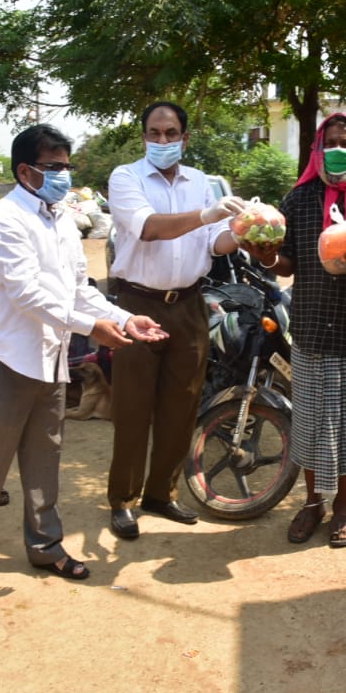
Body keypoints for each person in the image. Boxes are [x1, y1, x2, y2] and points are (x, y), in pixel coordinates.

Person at [0, 124, 166, 587]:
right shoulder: (6, 219)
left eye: (67, 166)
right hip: (7, 361)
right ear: (25, 170)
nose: (64, 174)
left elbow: (77, 290)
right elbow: (27, 295)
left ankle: (45, 545)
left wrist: (124, 319)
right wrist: (92, 329)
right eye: (54, 167)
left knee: (45, 460)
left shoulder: (60, 217)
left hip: (50, 360)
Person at [239, 113, 346, 548]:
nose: (338, 149)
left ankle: (342, 506)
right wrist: (266, 256)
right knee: (310, 422)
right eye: (330, 142)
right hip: (309, 329)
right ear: (317, 148)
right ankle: (312, 503)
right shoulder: (298, 201)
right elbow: (287, 264)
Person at [104, 101, 245, 539]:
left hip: (189, 304)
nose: (161, 140)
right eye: (153, 132)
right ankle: (123, 500)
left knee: (181, 406)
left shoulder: (200, 182)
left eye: (170, 133)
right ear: (144, 136)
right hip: (136, 303)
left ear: (185, 138)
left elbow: (213, 243)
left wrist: (241, 231)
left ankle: (161, 494)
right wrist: (208, 215)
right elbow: (148, 228)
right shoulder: (126, 177)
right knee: (133, 407)